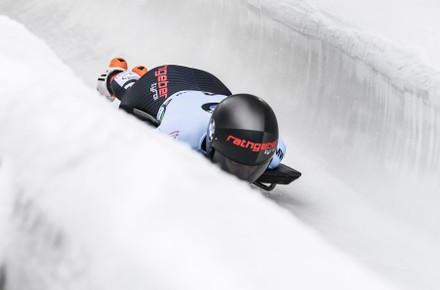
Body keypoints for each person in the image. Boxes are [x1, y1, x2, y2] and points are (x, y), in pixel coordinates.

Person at [97, 58, 286, 182]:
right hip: (160, 85)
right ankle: (120, 75)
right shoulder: (181, 134)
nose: (244, 175)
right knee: (130, 96)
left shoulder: (274, 148)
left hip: (210, 85)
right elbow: (130, 149)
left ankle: (138, 75)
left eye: (252, 169)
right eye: (236, 165)